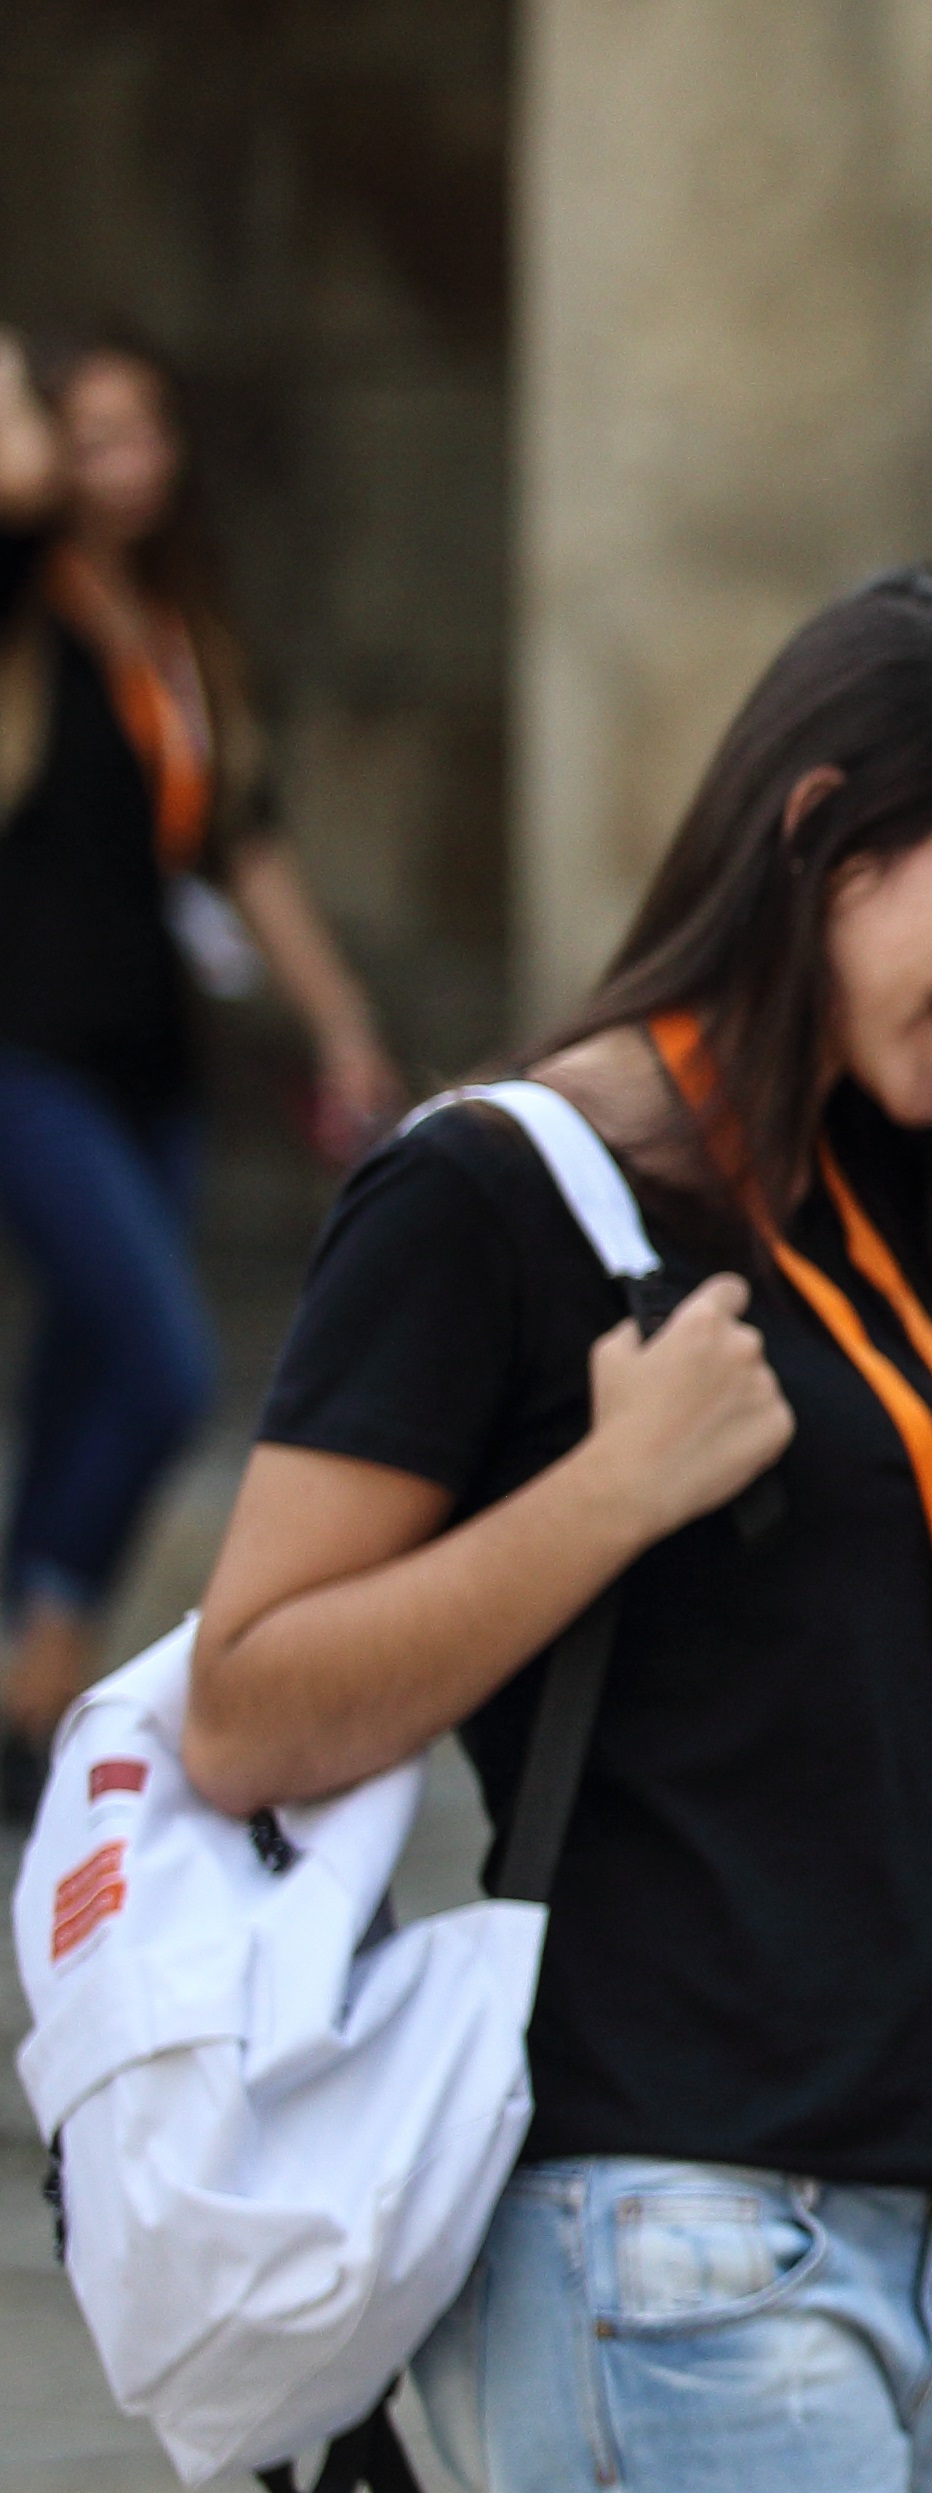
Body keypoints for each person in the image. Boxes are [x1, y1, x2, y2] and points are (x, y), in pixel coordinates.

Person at [179, 565, 932, 2493]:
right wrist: (606, 1495)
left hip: (908, 2213)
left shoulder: (871, 1195)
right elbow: (247, 1710)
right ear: (831, 830)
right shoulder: (494, 1193)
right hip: (663, 2220)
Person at [0, 328, 406, 1796]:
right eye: (93, 434)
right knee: (166, 1365)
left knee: (78, 1372)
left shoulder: (173, 625)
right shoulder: (25, 602)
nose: (130, 461)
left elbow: (243, 839)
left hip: (149, 1068)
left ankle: (30, 1677)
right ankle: (40, 1665)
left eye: (149, 429)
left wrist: (343, 1021)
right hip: (24, 1055)